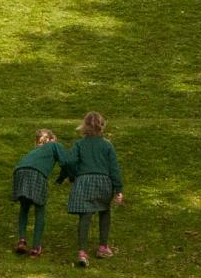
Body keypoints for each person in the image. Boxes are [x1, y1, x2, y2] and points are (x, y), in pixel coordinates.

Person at [66, 110, 124, 268]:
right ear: (102, 126)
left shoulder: (79, 144)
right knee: (105, 211)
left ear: (84, 126)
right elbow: (114, 168)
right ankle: (103, 247)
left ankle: (82, 252)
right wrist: (118, 189)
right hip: (104, 182)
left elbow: (70, 162)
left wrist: (73, 176)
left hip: (84, 181)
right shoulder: (107, 145)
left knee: (85, 215)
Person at [11, 128, 69, 256]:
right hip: (36, 174)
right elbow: (66, 162)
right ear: (51, 139)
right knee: (40, 208)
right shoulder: (55, 145)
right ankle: (36, 247)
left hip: (19, 171)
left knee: (24, 207)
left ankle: (21, 240)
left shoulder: (34, 151)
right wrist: (64, 177)